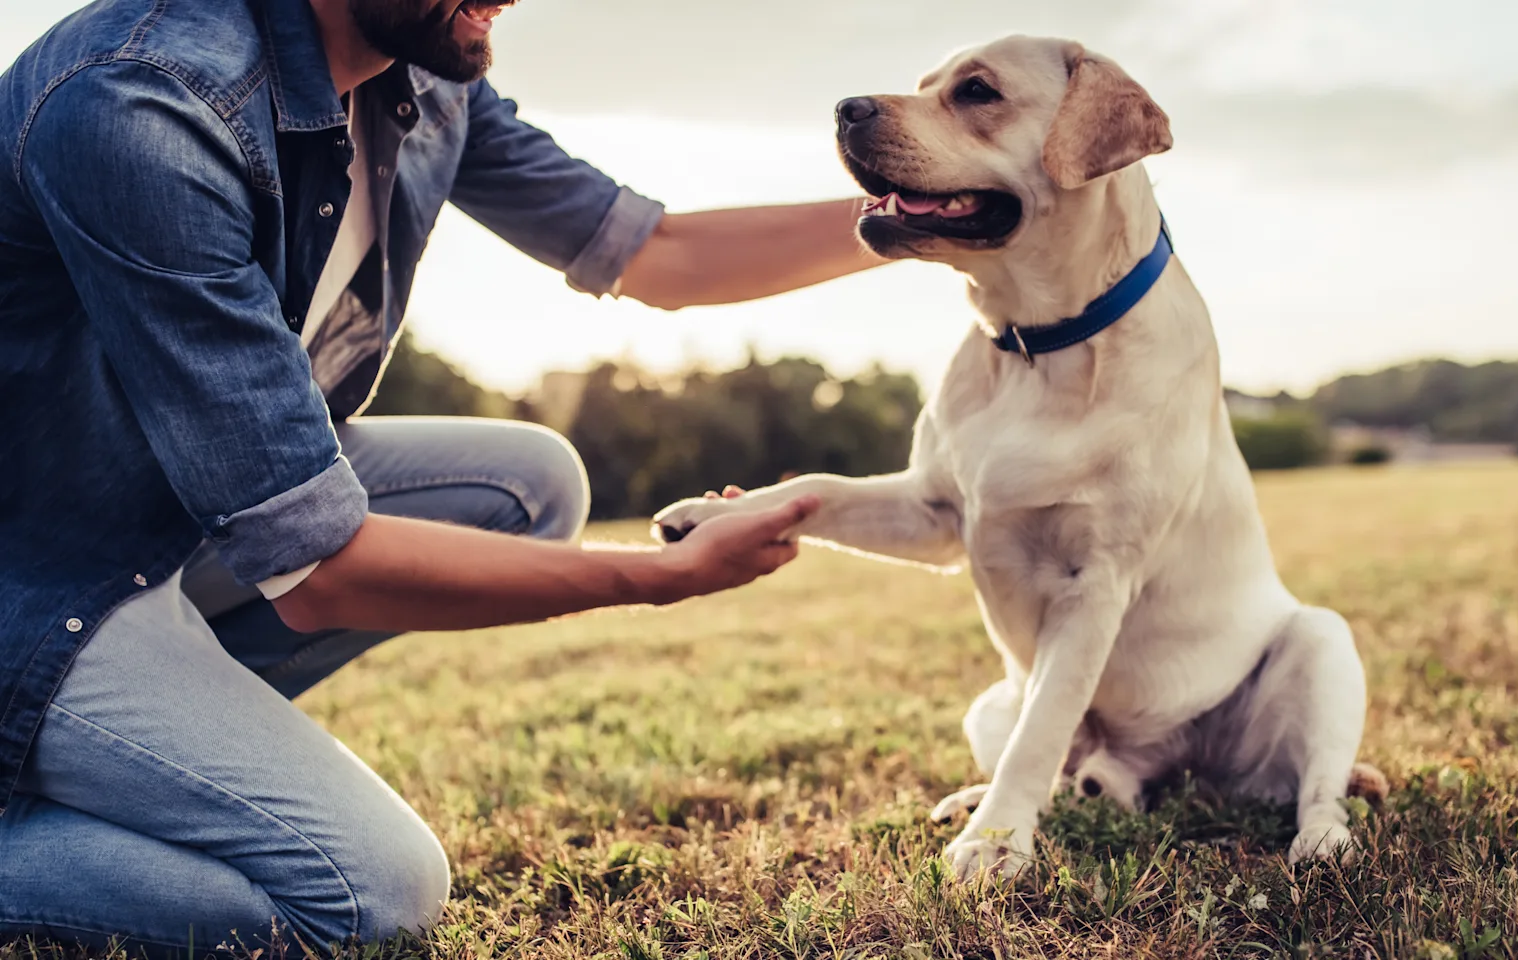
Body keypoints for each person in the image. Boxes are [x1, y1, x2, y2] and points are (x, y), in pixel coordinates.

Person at [0, 0, 881, 951]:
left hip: (159, 521)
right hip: (40, 577)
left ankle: (106, 757)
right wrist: (662, 576)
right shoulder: (147, 101)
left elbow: (657, 255)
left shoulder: (415, 73)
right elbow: (322, 566)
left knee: (528, 485)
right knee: (369, 893)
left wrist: (923, 213)